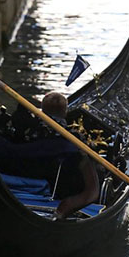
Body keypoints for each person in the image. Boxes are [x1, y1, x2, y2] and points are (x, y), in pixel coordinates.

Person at [40, 92, 99, 220]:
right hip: (61, 184)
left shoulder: (33, 131)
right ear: (65, 112)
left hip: (35, 171)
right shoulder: (74, 139)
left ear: (42, 109)